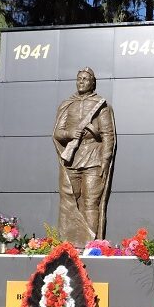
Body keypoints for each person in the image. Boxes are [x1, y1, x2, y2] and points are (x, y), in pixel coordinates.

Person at [52, 67, 116, 246]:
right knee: (68, 200)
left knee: (90, 202)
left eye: (85, 79)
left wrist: (105, 160)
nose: (81, 81)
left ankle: (91, 244)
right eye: (79, 78)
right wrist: (72, 132)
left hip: (93, 157)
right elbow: (57, 132)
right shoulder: (68, 104)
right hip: (71, 159)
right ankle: (68, 244)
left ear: (92, 82)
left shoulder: (100, 105)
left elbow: (107, 135)